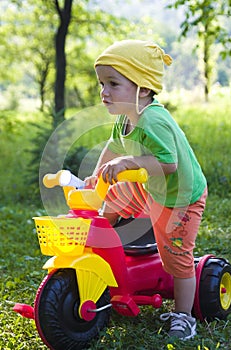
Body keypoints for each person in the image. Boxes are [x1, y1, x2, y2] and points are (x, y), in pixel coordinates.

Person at [85, 39, 207, 340]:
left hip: (180, 196)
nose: (104, 92)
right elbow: (113, 149)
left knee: (176, 257)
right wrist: (95, 176)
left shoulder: (154, 120)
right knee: (114, 195)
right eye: (102, 83)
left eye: (113, 83)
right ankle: (103, 244)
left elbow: (169, 164)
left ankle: (184, 316)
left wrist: (130, 160)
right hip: (151, 187)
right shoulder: (126, 120)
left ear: (141, 87)